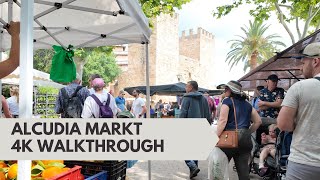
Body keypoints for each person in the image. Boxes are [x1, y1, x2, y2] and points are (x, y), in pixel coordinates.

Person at [277, 42, 320, 180]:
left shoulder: (300, 87)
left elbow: (283, 124)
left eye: (303, 63)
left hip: (304, 163)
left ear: (315, 61)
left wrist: (297, 123)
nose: (301, 68)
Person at [217, 80, 261, 180]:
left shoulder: (227, 101)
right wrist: (247, 132)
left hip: (229, 139)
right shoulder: (248, 104)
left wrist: (215, 137)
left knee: (219, 168)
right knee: (244, 172)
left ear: (231, 90)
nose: (225, 90)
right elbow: (258, 121)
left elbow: (222, 121)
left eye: (226, 88)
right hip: (245, 140)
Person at [179, 80, 210, 179]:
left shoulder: (186, 97)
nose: (185, 88)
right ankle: (193, 171)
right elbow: (208, 114)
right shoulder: (204, 99)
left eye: (187, 86)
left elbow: (183, 113)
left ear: (191, 87)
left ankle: (192, 166)